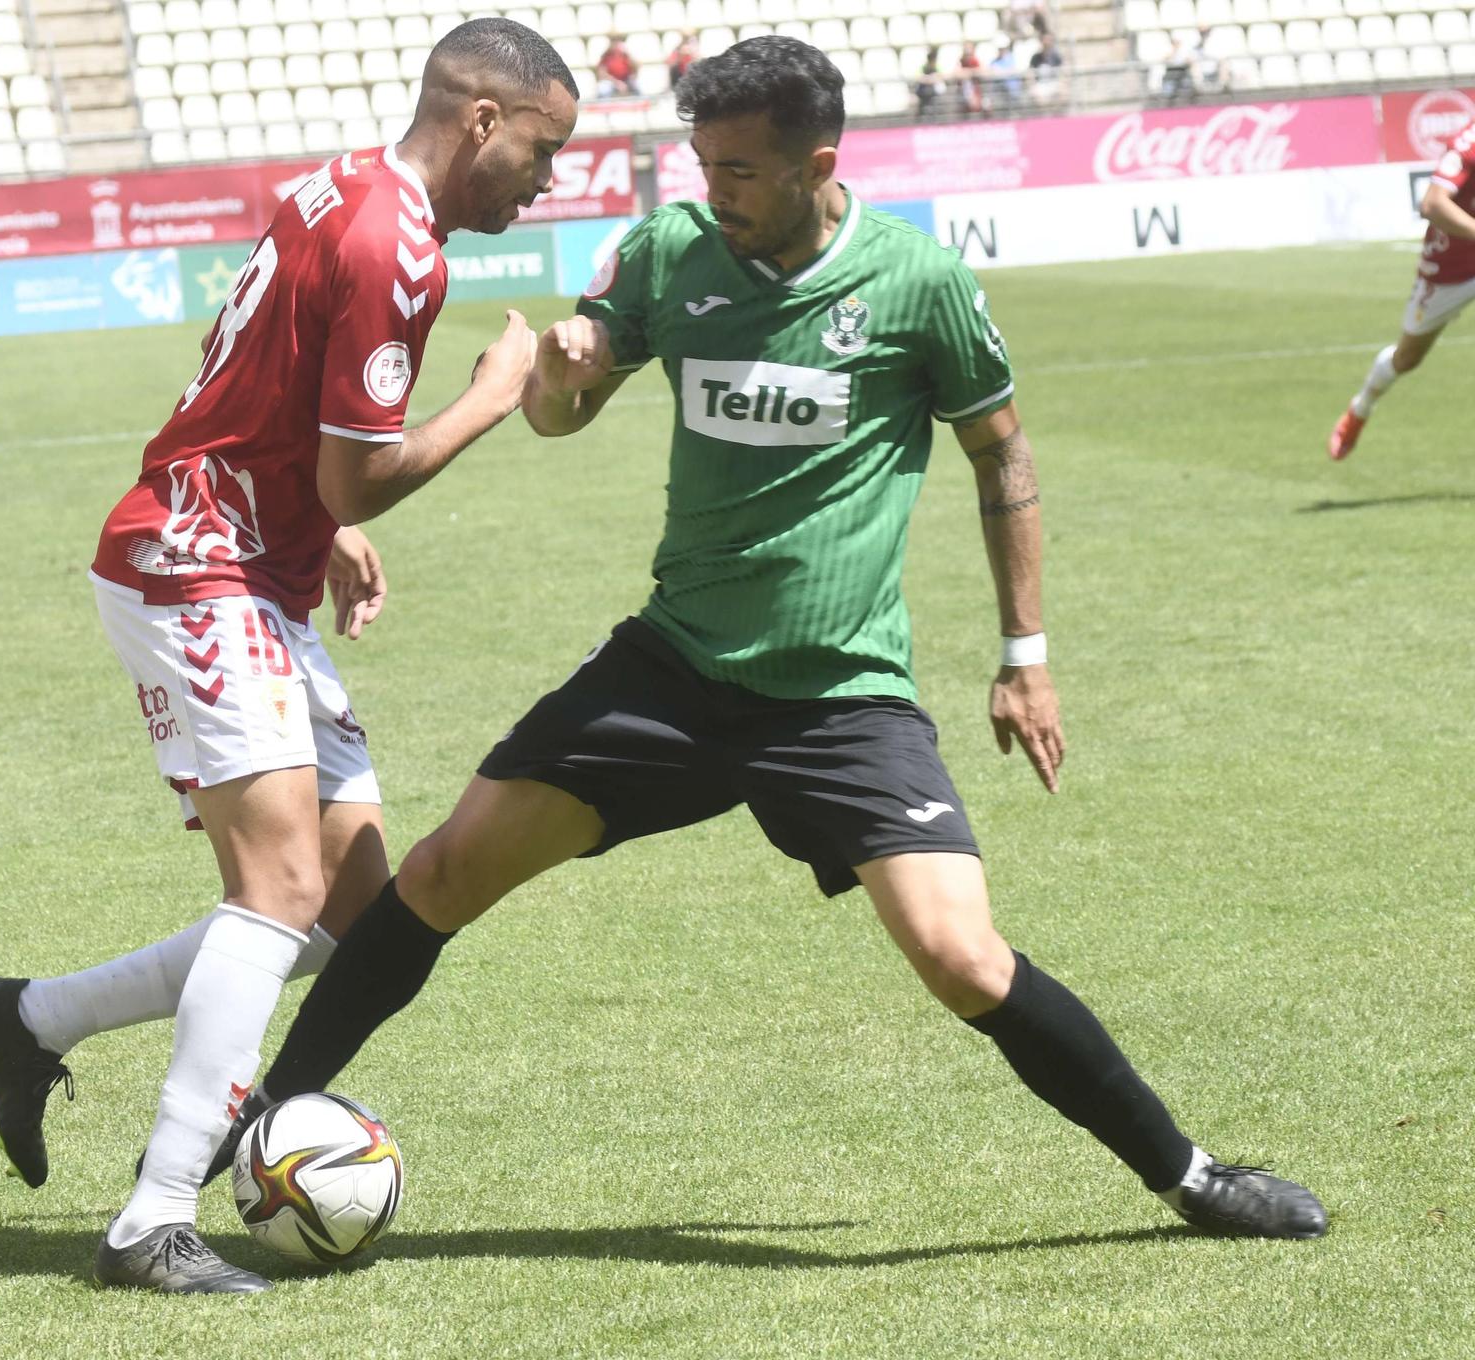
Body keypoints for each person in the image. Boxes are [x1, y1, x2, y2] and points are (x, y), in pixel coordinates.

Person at [210, 36, 1331, 1246]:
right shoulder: (671, 254)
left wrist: (1024, 654)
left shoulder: (916, 284)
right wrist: (566, 372)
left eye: (738, 172)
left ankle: (1190, 1177)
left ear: (816, 164)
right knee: (437, 873)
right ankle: (258, 1121)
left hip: (840, 696)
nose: (712, 193)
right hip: (671, 671)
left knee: (960, 958)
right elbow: (553, 412)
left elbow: (998, 450)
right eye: (702, 165)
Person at [0, 17, 578, 1295]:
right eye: (541, 146)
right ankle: (152, 1217)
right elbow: (362, 463)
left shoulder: (342, 182)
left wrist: (316, 520)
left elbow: (262, 376)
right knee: (280, 885)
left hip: (250, 556)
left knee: (348, 908)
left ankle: (31, 1018)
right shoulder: (395, 245)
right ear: (478, 119)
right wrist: (488, 398)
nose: (547, 177)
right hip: (197, 563)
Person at [1329, 114, 1475, 460]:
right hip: (1451, 267)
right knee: (1407, 358)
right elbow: (1433, 204)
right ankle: (1360, 409)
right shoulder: (1468, 142)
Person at [1029, 31, 1064, 106]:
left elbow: (1062, 72)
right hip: (1040, 84)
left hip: (1053, 82)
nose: (1046, 43)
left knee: (1062, 92)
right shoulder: (1036, 57)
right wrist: (1032, 85)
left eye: (1049, 40)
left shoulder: (1056, 56)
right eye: (1045, 40)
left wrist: (1063, 84)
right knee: (1036, 95)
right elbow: (1030, 73)